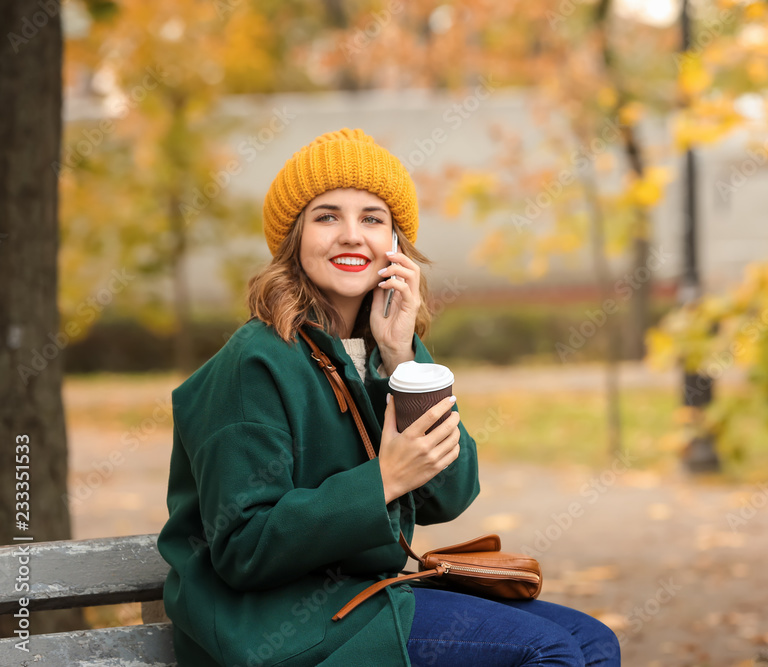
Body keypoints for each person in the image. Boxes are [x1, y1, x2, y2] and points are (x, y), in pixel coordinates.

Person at [157, 128, 621, 666]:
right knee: (548, 651)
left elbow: (451, 494)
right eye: (327, 216)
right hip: (275, 621)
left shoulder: (385, 347)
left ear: (396, 243)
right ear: (293, 239)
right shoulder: (253, 363)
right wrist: (385, 480)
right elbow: (243, 548)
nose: (352, 235)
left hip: (366, 594)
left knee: (592, 642)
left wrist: (403, 360)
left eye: (372, 218)